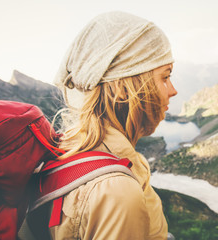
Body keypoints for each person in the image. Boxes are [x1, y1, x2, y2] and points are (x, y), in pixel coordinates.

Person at [35, 11, 177, 239]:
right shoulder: (117, 191)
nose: (173, 90)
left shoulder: (67, 145)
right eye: (165, 77)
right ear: (122, 88)